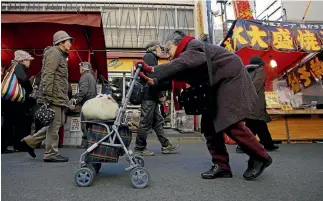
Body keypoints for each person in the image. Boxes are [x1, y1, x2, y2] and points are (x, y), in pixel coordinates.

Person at [135, 30, 272, 180]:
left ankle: (260, 156)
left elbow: (181, 64)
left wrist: (152, 69)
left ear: (178, 43)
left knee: (228, 121)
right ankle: (222, 166)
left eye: (168, 50)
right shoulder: (187, 55)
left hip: (230, 78)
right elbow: (176, 74)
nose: (167, 55)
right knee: (208, 125)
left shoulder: (194, 46)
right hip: (217, 84)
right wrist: (153, 81)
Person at [21, 30, 73, 162]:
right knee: (54, 126)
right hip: (54, 96)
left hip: (59, 96)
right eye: (68, 41)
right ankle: (51, 153)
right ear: (61, 41)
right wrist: (48, 96)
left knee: (58, 123)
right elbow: (48, 74)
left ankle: (31, 141)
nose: (70, 44)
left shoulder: (60, 55)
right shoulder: (54, 53)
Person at [134, 41, 179, 156]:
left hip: (151, 96)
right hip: (149, 96)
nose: (161, 51)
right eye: (160, 48)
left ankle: (166, 145)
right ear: (155, 48)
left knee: (157, 121)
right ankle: (139, 148)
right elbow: (152, 77)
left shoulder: (151, 57)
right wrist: (161, 95)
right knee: (145, 122)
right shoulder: (150, 56)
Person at [236, 56, 279, 153]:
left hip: (249, 102)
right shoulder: (260, 71)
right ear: (260, 64)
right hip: (256, 103)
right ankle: (242, 146)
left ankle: (268, 144)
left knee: (260, 125)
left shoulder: (246, 71)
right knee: (254, 125)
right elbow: (256, 85)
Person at [1, 51, 34, 153]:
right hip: (15, 102)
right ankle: (17, 146)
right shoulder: (19, 67)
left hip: (9, 101)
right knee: (17, 123)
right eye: (28, 60)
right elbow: (23, 79)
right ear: (23, 60)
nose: (30, 62)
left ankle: (5, 146)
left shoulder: (12, 67)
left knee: (9, 123)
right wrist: (30, 89)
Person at [72, 62, 97, 146]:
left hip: (86, 103)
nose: (79, 69)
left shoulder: (84, 76)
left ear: (83, 68)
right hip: (91, 103)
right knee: (89, 124)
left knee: (84, 124)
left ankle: (87, 143)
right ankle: (89, 143)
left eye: (80, 67)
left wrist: (77, 100)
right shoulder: (91, 76)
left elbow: (83, 91)